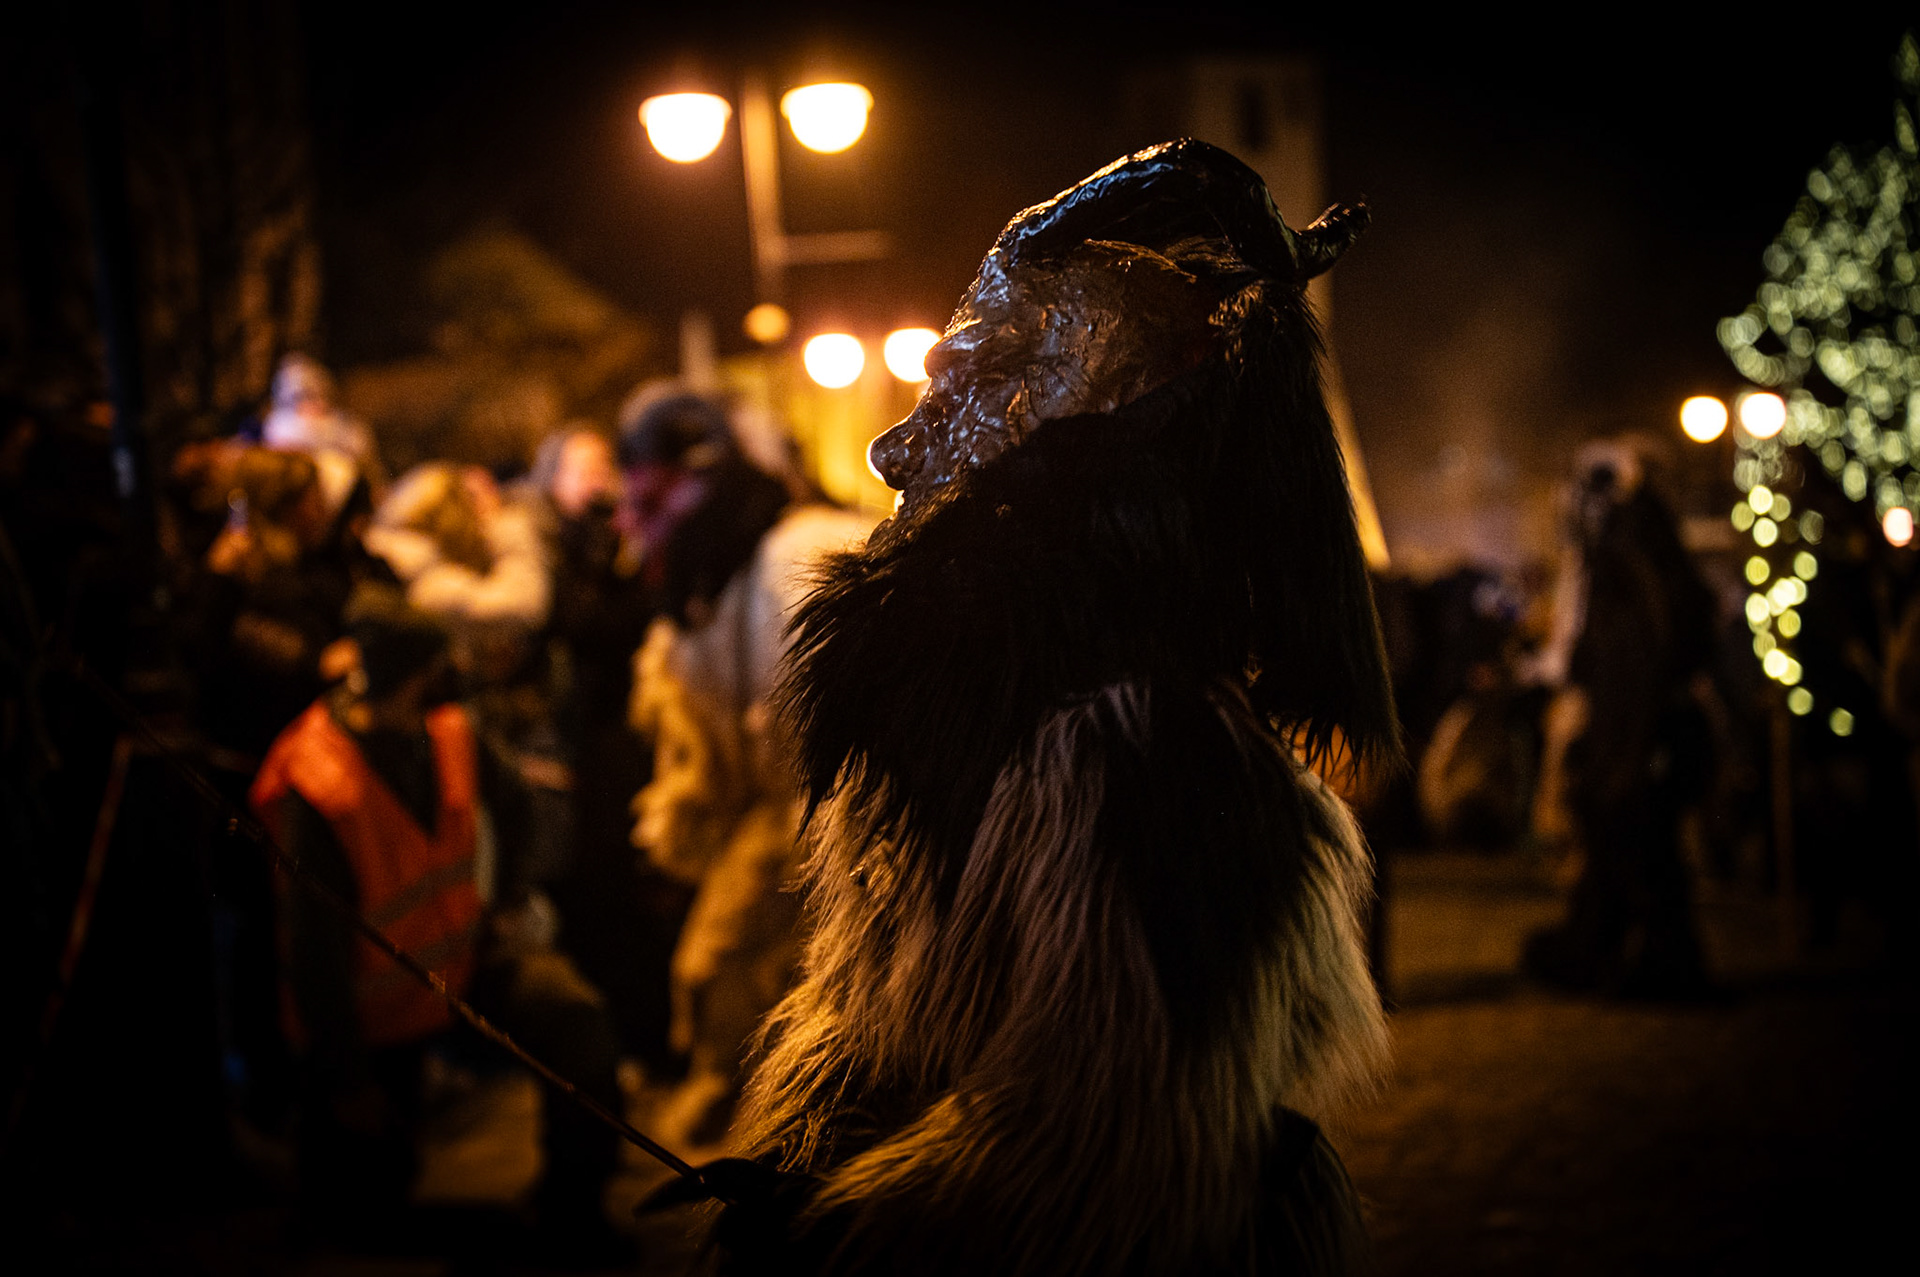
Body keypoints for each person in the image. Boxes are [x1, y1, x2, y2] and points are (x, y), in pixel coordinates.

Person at [667, 140, 1397, 1276]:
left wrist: (850, 1232)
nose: (895, 447)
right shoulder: (971, 703)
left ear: (1075, 417)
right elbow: (888, 1028)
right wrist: (814, 1159)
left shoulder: (1146, 754)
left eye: (974, 380)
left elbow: (1107, 1150)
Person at [250, 591, 625, 1255]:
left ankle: (574, 1217)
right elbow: (314, 957)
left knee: (572, 1017)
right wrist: (348, 1080)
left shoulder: (449, 733)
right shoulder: (320, 780)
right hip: (371, 1024)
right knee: (357, 1226)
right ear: (420, 675)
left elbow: (517, 807)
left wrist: (506, 898)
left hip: (459, 970)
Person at [620, 390, 873, 1149]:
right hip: (798, 817)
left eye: (650, 502)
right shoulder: (734, 575)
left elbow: (825, 748)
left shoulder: (796, 559)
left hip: (845, 825)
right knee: (727, 966)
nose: (633, 527)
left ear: (698, 482)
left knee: (744, 968)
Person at [1523, 440, 1715, 997]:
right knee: (1638, 855)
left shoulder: (1629, 566)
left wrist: (1621, 754)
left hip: (1635, 740)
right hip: (1638, 737)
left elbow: (1630, 666)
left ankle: (1647, 959)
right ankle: (1622, 952)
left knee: (1642, 855)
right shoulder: (1651, 564)